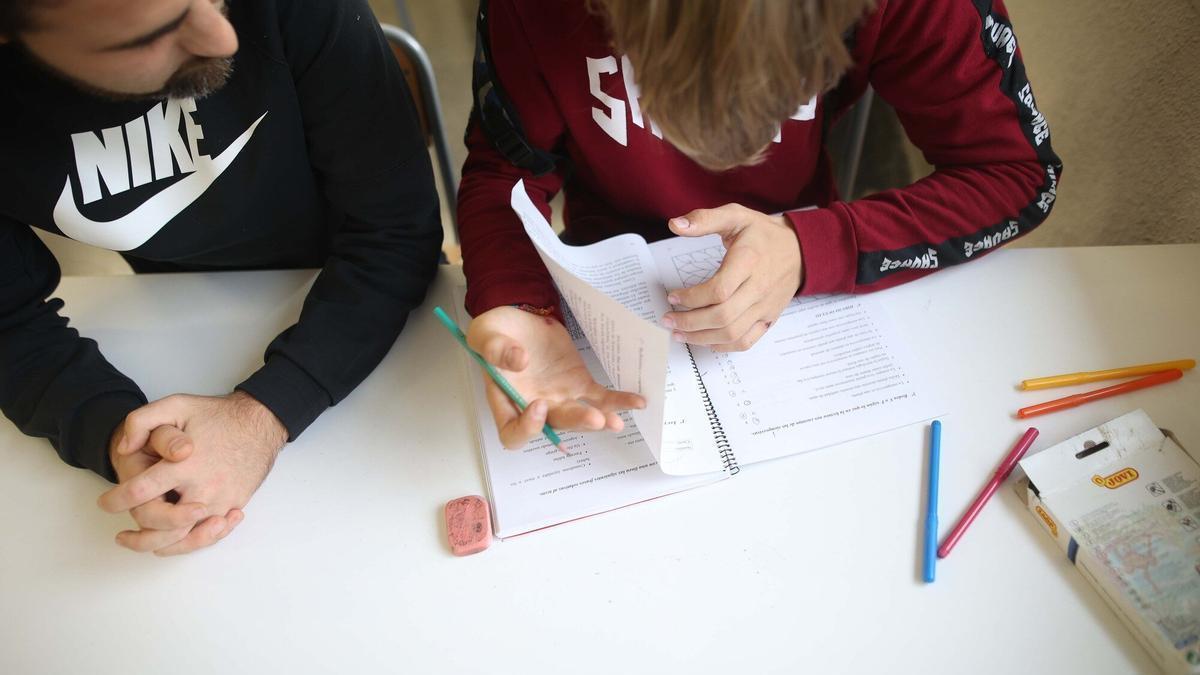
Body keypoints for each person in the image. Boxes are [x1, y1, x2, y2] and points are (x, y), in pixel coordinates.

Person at [458, 0, 1061, 448]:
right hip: (603, 254)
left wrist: (811, 246)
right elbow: (501, 173)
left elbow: (1016, 174)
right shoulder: (535, 9)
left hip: (795, 244)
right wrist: (515, 298)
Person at [0, 0, 442, 555]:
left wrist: (268, 410)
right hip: (175, 309)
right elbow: (8, 320)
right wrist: (119, 434)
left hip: (376, 313)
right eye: (153, 35)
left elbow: (396, 228)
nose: (224, 39)